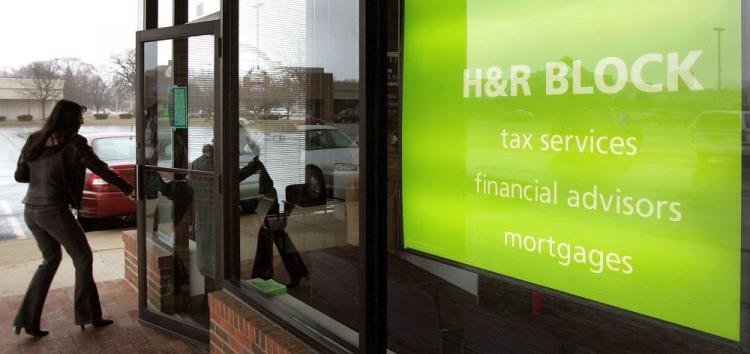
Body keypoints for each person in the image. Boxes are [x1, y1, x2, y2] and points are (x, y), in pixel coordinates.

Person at [13, 100, 135, 337]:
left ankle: (27, 320)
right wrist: (128, 189)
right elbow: (100, 168)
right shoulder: (75, 144)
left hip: (31, 210)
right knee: (82, 258)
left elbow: (21, 176)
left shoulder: (34, 139)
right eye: (79, 117)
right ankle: (88, 316)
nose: (81, 122)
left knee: (50, 259)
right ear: (70, 120)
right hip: (53, 210)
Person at [239, 155, 308, 288]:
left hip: (270, 199)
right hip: (271, 199)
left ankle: (264, 276)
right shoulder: (258, 161)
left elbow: (242, 175)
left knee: (268, 235)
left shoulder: (257, 162)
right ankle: (294, 271)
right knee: (276, 235)